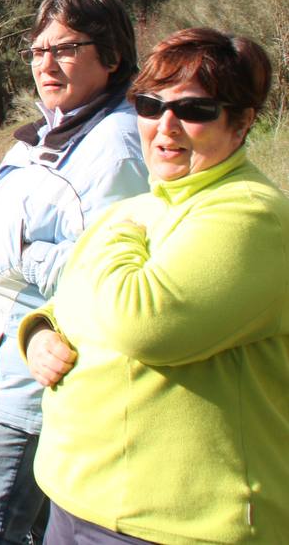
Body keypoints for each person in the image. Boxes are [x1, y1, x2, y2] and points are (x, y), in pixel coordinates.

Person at [21, 28, 289, 543]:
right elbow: (66, 299)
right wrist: (38, 332)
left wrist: (116, 229)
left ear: (242, 122)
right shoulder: (154, 204)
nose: (166, 128)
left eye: (195, 111)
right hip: (77, 501)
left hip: (177, 524)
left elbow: (145, 324)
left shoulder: (250, 215)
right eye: (149, 104)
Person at [0, 0, 147, 544]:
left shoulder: (116, 147)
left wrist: (27, 264)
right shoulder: (50, 134)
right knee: (31, 530)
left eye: (66, 48)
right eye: (36, 50)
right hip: (3, 364)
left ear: (112, 57)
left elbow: (115, 269)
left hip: (31, 380)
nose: (45, 63)